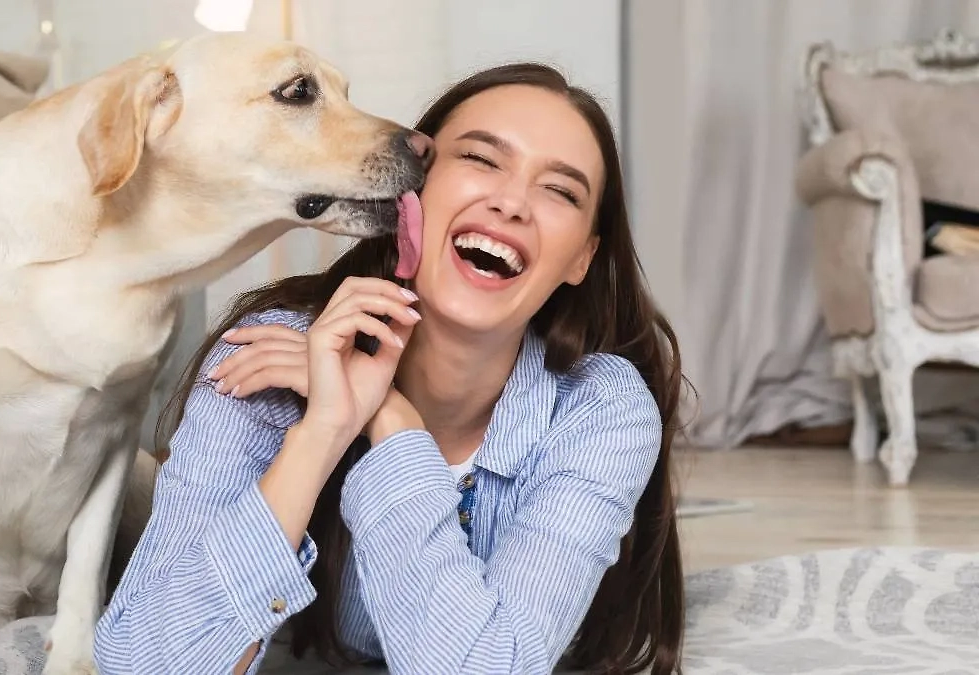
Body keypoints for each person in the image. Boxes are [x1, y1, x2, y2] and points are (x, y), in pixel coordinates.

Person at [92, 62, 686, 675]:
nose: (511, 203)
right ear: (410, 194)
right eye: (481, 159)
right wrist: (320, 434)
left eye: (560, 191)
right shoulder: (269, 357)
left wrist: (391, 423)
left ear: (581, 258)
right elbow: (144, 665)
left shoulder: (602, 409)